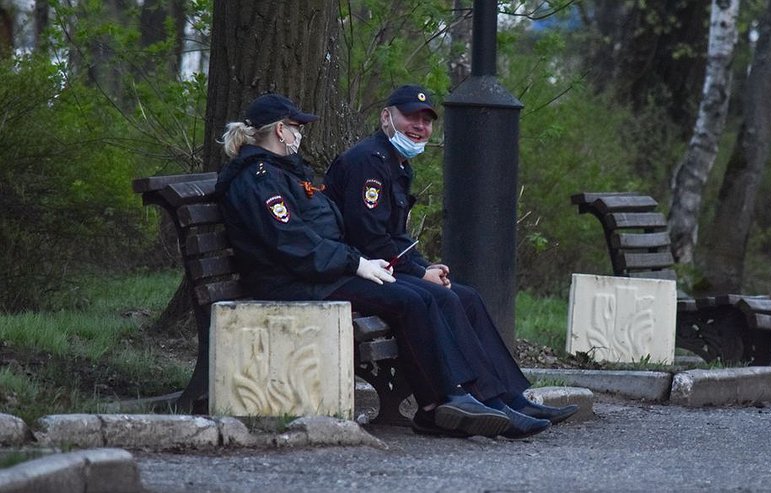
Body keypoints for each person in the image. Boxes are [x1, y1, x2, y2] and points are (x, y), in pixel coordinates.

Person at [214, 93, 547, 439]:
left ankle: (460, 400)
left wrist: (364, 262)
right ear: (280, 130)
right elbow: (291, 243)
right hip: (293, 281)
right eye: (297, 127)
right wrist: (354, 261)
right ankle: (446, 401)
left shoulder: (285, 173)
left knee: (422, 296)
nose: (300, 135)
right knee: (411, 300)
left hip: (319, 271)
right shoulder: (259, 177)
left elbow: (317, 233)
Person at [324, 85, 579, 429]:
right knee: (443, 298)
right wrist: (417, 272)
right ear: (386, 117)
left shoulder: (397, 164)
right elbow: (368, 238)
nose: (420, 126)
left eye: (427, 121)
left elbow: (396, 236)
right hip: (361, 271)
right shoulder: (368, 161)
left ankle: (509, 398)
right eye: (411, 117)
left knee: (467, 297)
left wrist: (426, 266)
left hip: (383, 268)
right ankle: (480, 402)